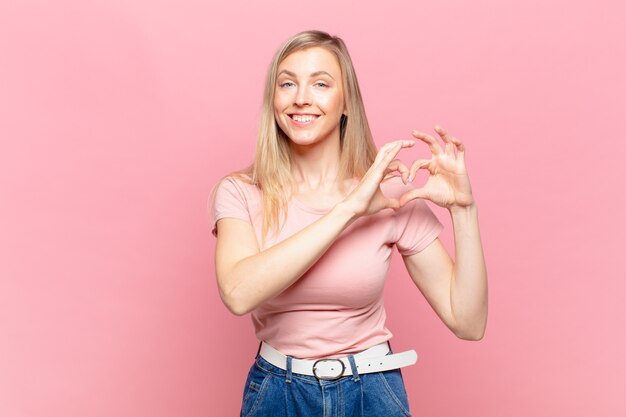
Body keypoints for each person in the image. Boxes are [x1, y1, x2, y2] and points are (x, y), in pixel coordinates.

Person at [209, 30, 487, 417]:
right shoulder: (241, 191)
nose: (301, 97)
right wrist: (350, 209)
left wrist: (464, 209)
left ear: (346, 104)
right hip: (277, 393)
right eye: (287, 83)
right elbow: (238, 294)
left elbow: (468, 322)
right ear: (273, 100)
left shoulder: (389, 192)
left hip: (371, 392)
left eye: (320, 83)